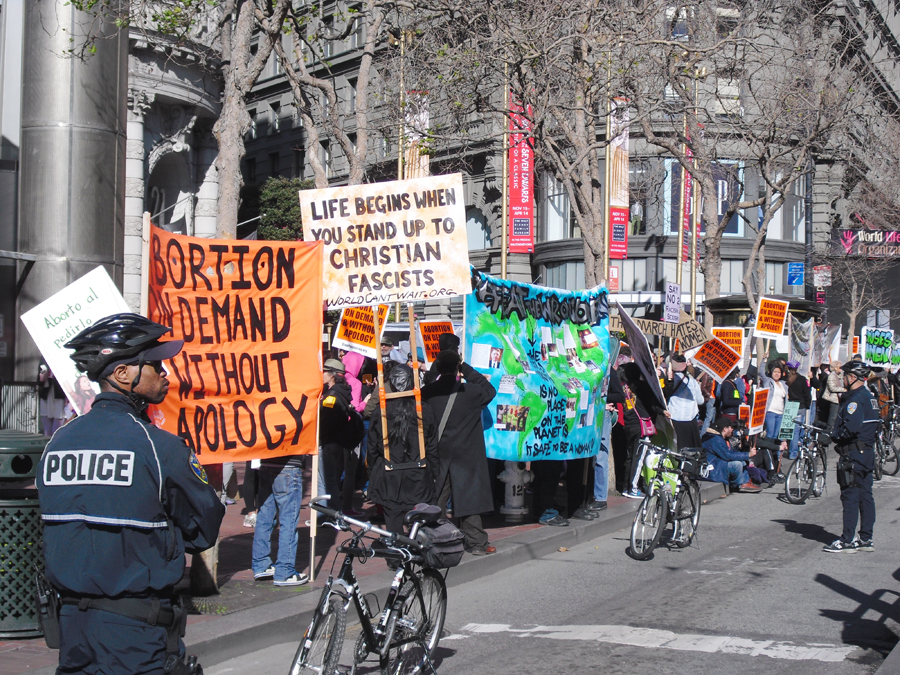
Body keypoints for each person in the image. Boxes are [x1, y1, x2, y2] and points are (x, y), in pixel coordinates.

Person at [36, 313, 224, 675]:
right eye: (154, 365)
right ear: (123, 374)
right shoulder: (160, 447)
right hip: (136, 636)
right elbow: (204, 530)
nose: (165, 373)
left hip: (72, 632)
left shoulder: (57, 443)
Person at [422, 348, 497, 554]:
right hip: (466, 452)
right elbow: (489, 389)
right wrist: (466, 368)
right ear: (457, 368)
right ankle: (476, 543)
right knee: (469, 497)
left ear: (438, 367)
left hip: (438, 451)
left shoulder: (428, 392)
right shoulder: (470, 392)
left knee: (437, 497)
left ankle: (431, 538)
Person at [367, 365, 439, 537]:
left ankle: (396, 558)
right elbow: (432, 445)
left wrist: (372, 472)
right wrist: (435, 471)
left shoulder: (381, 410)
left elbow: (372, 446)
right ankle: (418, 550)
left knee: (393, 519)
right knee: (420, 518)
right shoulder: (424, 408)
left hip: (391, 473)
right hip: (418, 472)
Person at [824, 361, 879, 553]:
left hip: (854, 454)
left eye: (845, 375)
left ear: (853, 377)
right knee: (865, 495)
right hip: (867, 452)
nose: (843, 379)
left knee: (850, 496)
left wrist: (834, 436)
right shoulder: (869, 397)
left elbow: (851, 428)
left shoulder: (855, 399)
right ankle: (866, 538)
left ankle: (847, 539)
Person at [251, 449, 308, 585]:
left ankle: (261, 564)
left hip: (266, 461)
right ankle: (284, 571)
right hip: (288, 464)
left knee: (265, 517)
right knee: (288, 519)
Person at [319, 359, 356, 514]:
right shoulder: (342, 392)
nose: (321, 375)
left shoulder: (331, 398)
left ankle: (329, 514)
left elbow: (326, 421)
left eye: (324, 372)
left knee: (327, 482)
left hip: (329, 443)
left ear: (332, 375)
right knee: (332, 479)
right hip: (339, 443)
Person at [701, 417, 762, 493]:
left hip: (717, 463)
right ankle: (739, 484)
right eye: (731, 427)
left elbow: (731, 453)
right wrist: (748, 454)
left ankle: (744, 482)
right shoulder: (715, 439)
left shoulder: (718, 437)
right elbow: (728, 455)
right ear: (725, 429)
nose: (732, 430)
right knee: (737, 464)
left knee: (742, 461)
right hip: (712, 468)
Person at [664, 355, 705, 449]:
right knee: (690, 450)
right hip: (690, 420)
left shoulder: (670, 381)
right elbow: (700, 401)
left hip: (674, 418)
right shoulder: (693, 382)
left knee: (675, 447)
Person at [785, 360, 811, 460]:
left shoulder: (786, 380)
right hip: (801, 406)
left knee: (790, 430)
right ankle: (794, 452)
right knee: (797, 431)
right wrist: (807, 405)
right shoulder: (802, 379)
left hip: (790, 406)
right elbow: (807, 393)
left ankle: (791, 452)